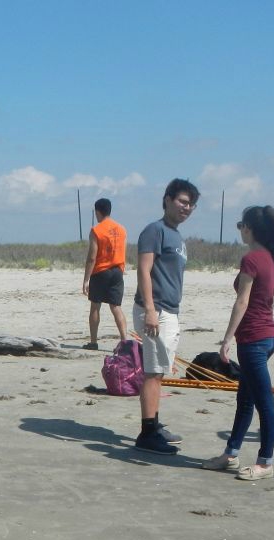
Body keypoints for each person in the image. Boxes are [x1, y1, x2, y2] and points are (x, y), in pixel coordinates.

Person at [202, 206, 274, 481]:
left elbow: (242, 301)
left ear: (250, 228)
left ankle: (265, 462)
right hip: (268, 337)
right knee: (245, 398)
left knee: (264, 402)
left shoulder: (252, 259)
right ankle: (230, 454)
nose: (240, 229)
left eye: (241, 224)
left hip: (254, 340)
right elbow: (270, 300)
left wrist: (227, 339)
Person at [133, 178, 200, 455]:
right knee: (154, 371)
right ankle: (147, 432)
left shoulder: (177, 236)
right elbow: (143, 270)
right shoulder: (154, 230)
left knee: (160, 371)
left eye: (191, 205)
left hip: (169, 311)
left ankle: (155, 424)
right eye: (183, 202)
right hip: (156, 310)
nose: (187, 208)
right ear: (168, 199)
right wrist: (150, 309)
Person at [81, 198, 128, 349]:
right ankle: (124, 341)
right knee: (116, 307)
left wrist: (86, 279)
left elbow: (92, 257)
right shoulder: (122, 229)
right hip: (117, 271)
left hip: (101, 271)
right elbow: (123, 251)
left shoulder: (96, 230)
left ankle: (93, 342)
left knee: (95, 306)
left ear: (97, 212)